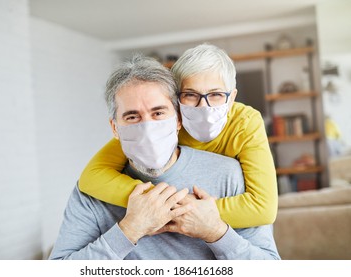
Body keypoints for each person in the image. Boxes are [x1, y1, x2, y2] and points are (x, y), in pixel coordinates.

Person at [49, 55, 280, 259]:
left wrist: (216, 232)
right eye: (132, 117)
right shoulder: (91, 193)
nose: (148, 129)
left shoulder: (229, 173)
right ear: (115, 128)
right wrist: (129, 229)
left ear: (178, 119)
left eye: (158, 112)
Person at [79, 43, 278, 228]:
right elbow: (91, 177)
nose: (203, 106)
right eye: (190, 95)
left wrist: (190, 211)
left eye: (216, 95)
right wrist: (156, 203)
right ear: (175, 99)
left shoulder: (246, 122)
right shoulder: (163, 124)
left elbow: (263, 209)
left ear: (232, 97)